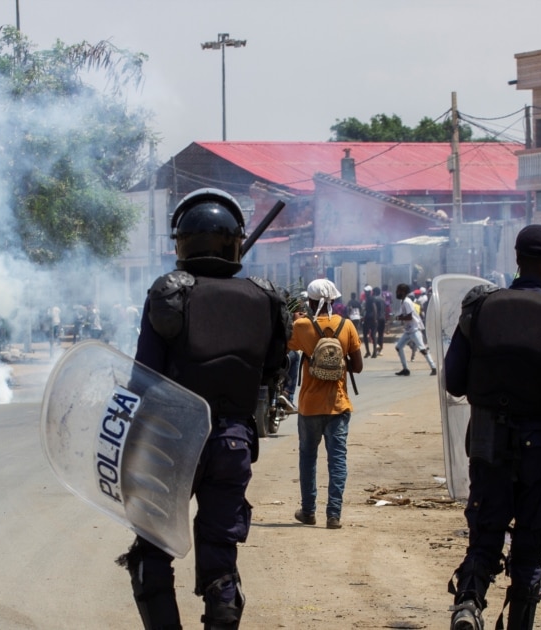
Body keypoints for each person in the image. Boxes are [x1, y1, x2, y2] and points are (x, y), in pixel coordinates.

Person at [120, 188, 290, 630]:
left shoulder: (169, 294)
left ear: (183, 241)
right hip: (233, 440)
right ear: (235, 241)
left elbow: (144, 377)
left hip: (170, 441)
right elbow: (272, 371)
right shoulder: (266, 299)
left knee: (152, 550)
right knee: (220, 553)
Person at [442, 224, 541, 630]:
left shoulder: (480, 307)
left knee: (485, 534)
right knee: (530, 546)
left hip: (488, 442)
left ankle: (469, 605)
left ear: (517, 261)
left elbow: (453, 381)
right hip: (540, 450)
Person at [288, 279, 363, 530]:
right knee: (338, 460)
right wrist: (338, 363)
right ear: (333, 301)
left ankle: (308, 511)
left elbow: (284, 345)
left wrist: (294, 320)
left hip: (309, 406)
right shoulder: (347, 325)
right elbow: (359, 367)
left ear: (310, 302)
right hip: (339, 405)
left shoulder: (301, 326)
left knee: (308, 458)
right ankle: (334, 515)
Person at [393, 283, 437, 376]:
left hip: (414, 330)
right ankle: (405, 369)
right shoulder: (403, 301)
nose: (397, 292)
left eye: (398, 291)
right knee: (398, 347)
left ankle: (434, 368)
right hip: (408, 330)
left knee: (422, 349)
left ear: (403, 292)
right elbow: (404, 315)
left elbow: (409, 317)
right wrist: (397, 317)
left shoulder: (407, 302)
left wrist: (398, 318)